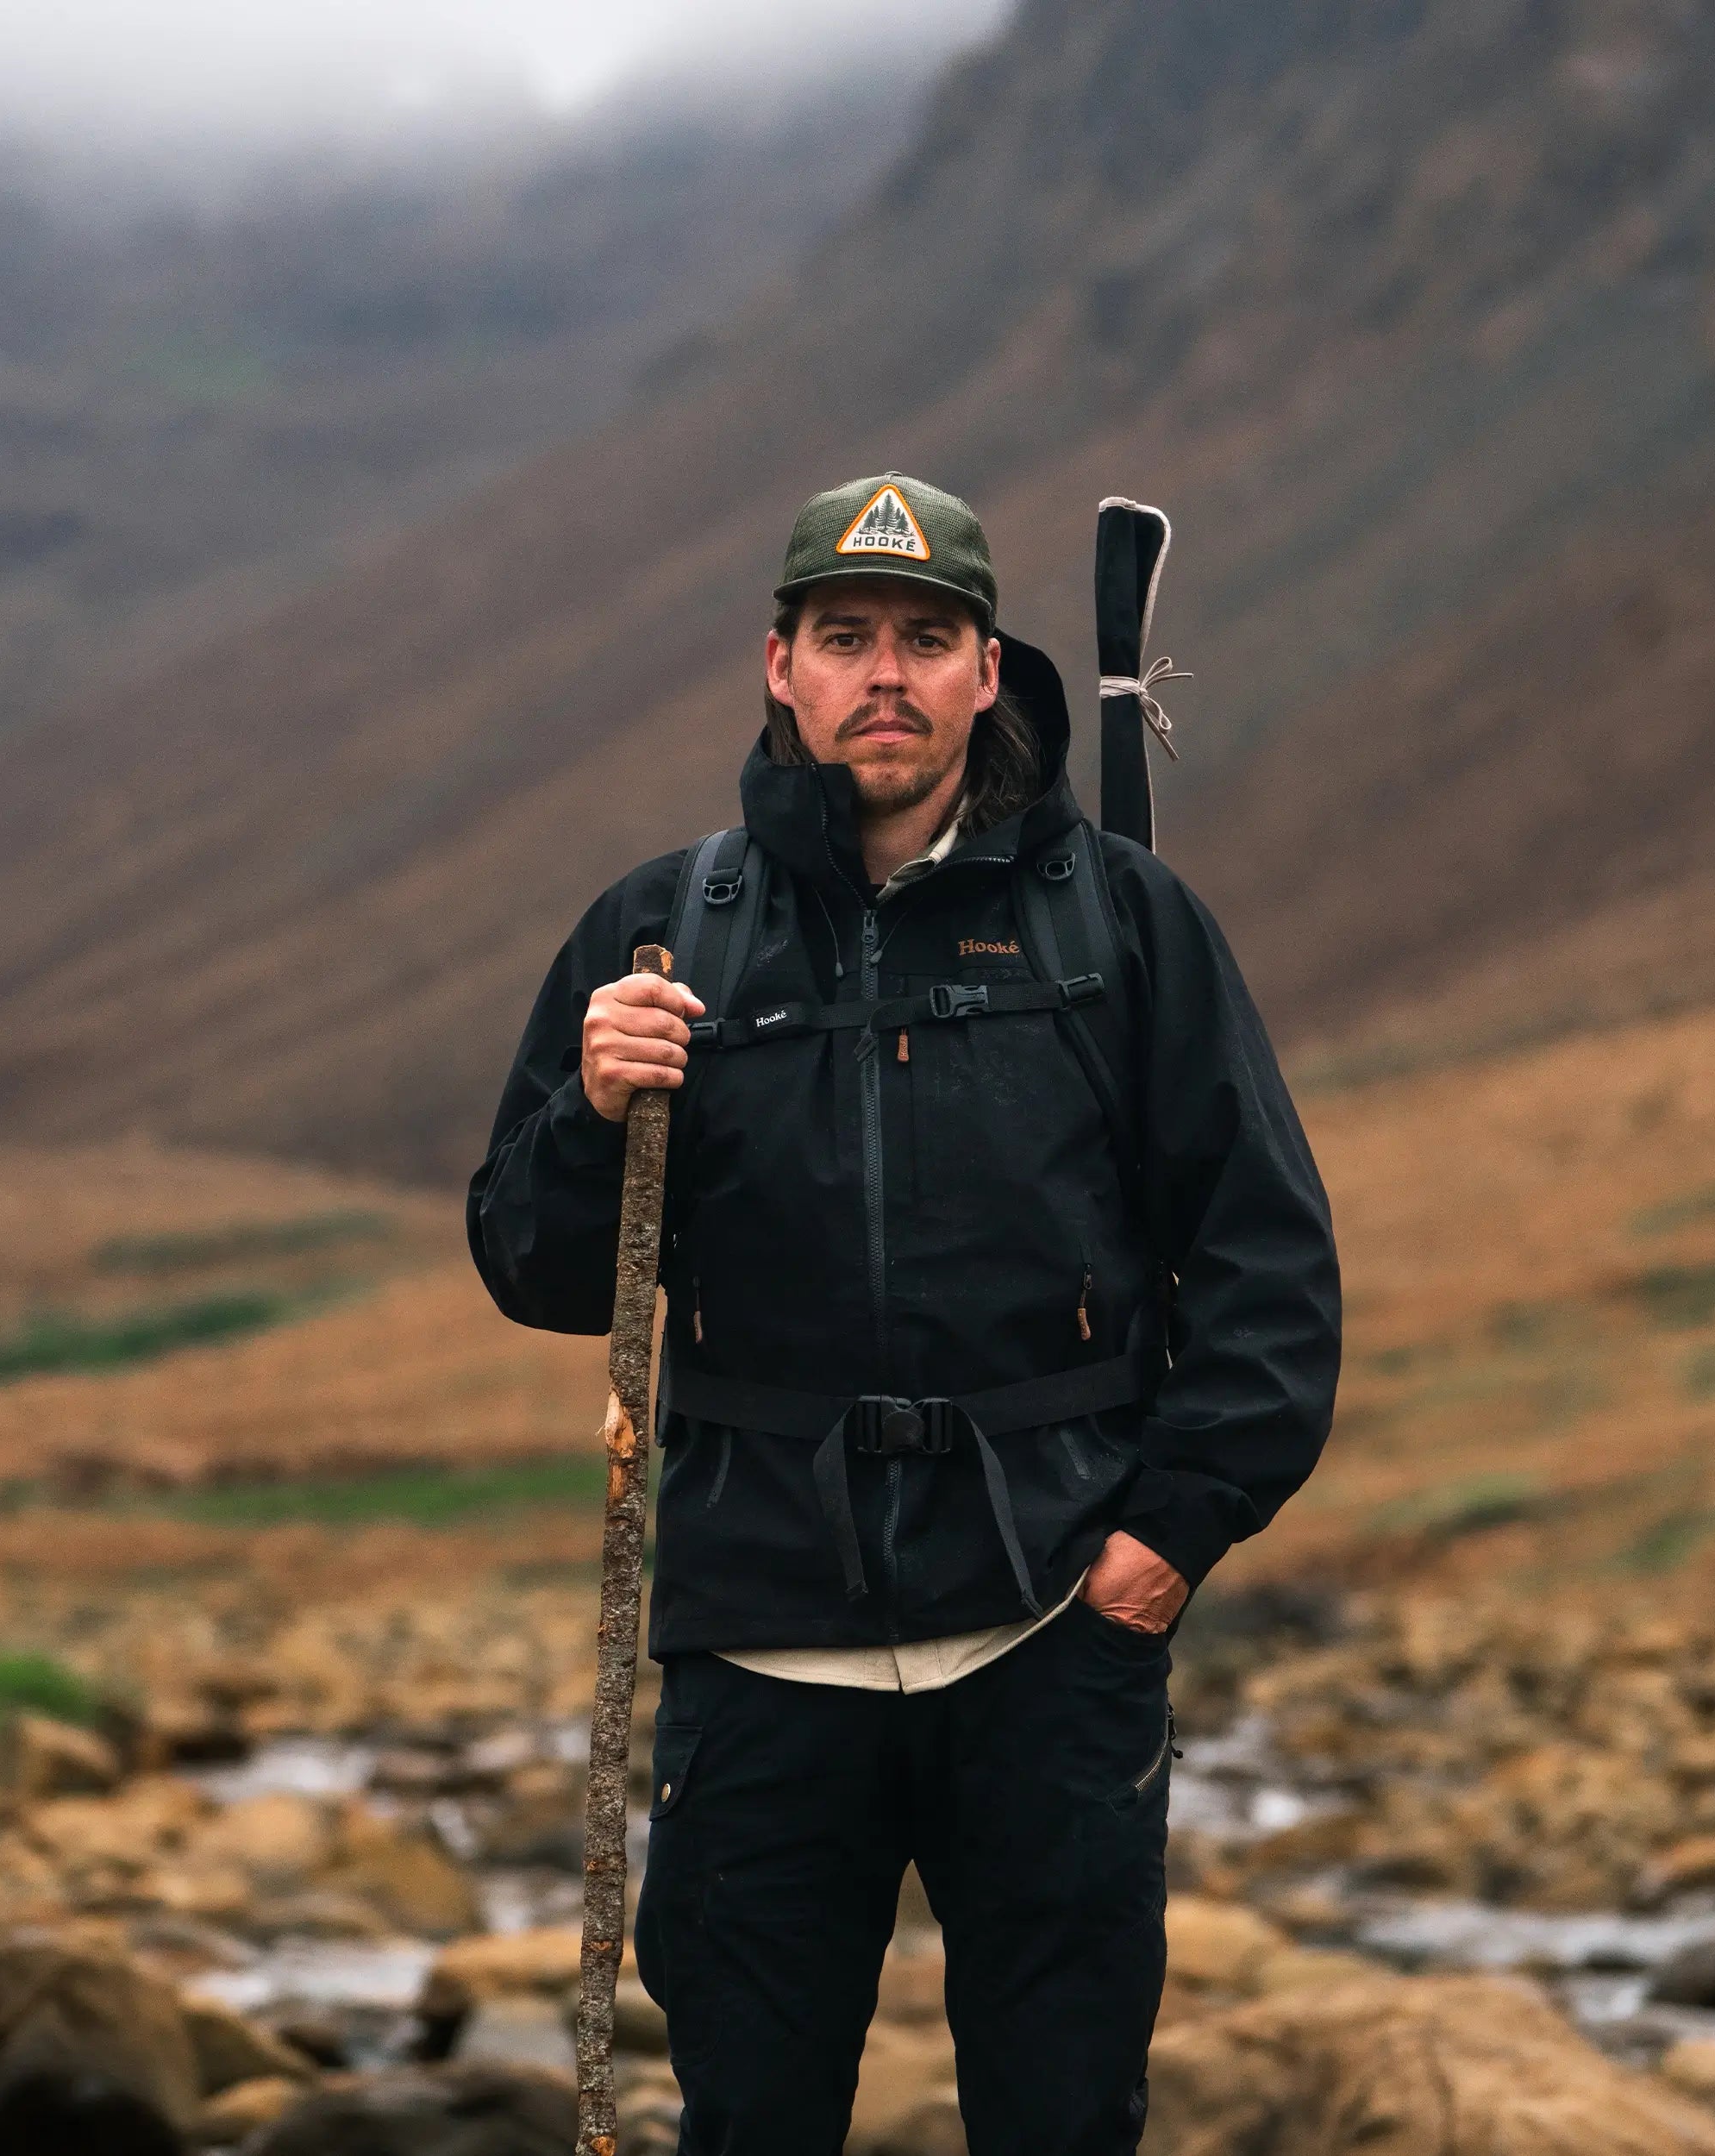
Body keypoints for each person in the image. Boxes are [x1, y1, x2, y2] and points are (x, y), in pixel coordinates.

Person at [467, 472, 1341, 2155]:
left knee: (1064, 2115)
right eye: (845, 635)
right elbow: (534, 1266)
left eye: (925, 638)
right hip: (759, 1632)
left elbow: (1262, 1268)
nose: (886, 671)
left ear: (983, 670)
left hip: (1049, 1625)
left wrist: (1159, 1545)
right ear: (776, 664)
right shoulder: (662, 933)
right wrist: (589, 1113)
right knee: (751, 2117)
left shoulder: (1123, 925)